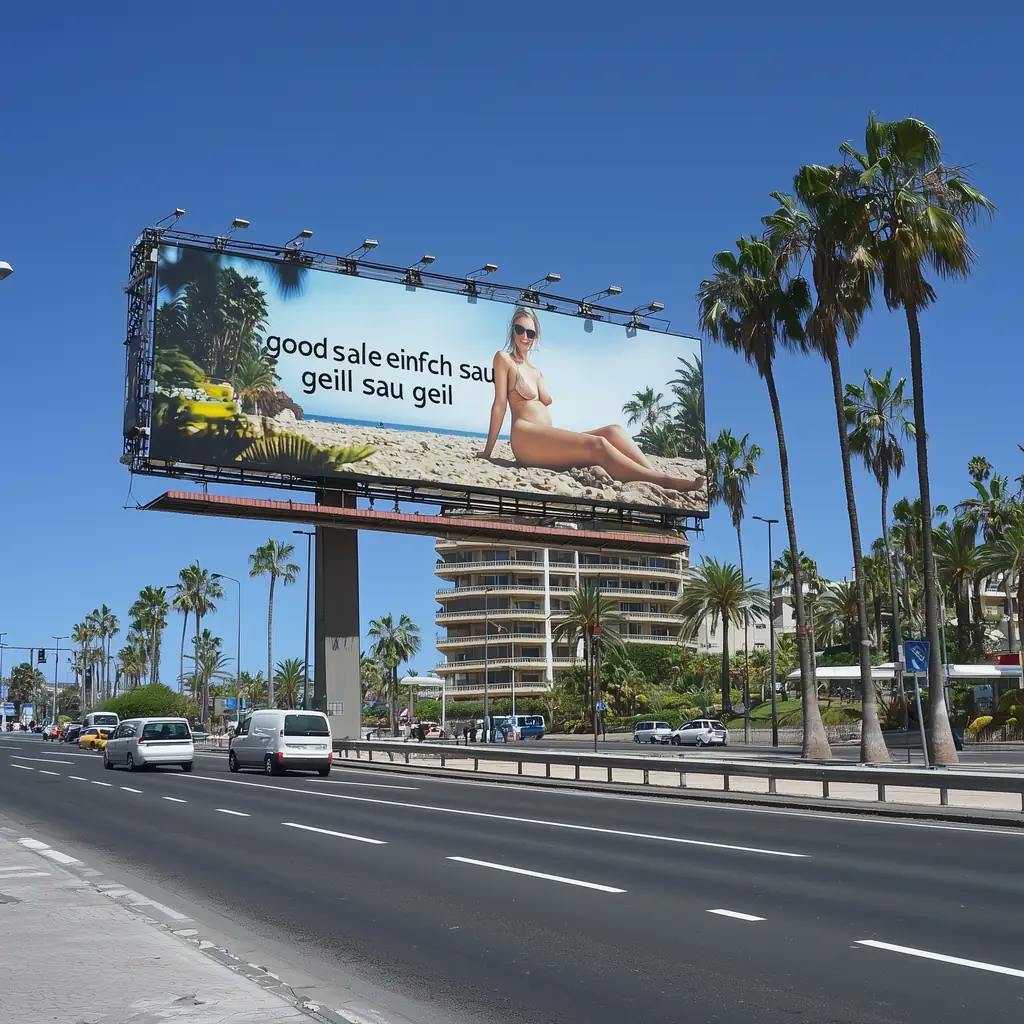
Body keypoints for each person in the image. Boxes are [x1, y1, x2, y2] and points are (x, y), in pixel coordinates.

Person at [478, 307, 705, 493]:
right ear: (512, 331)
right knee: (599, 445)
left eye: (531, 333)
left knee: (613, 431)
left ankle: (653, 476)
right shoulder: (504, 359)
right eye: (520, 330)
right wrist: (488, 452)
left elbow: (546, 398)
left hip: (545, 438)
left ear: (536, 337)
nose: (525, 336)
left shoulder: (536, 371)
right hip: (525, 436)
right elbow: (499, 406)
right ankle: (666, 481)